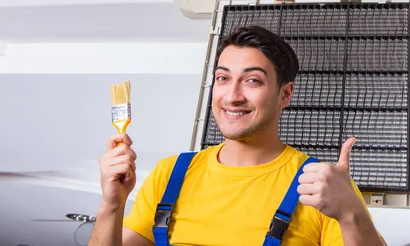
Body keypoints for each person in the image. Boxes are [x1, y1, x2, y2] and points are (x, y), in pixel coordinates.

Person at [89, 26, 387, 246]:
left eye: (252, 80)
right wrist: (111, 204)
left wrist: (351, 214)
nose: (232, 96)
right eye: (223, 78)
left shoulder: (318, 185)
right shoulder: (170, 174)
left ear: (285, 94)